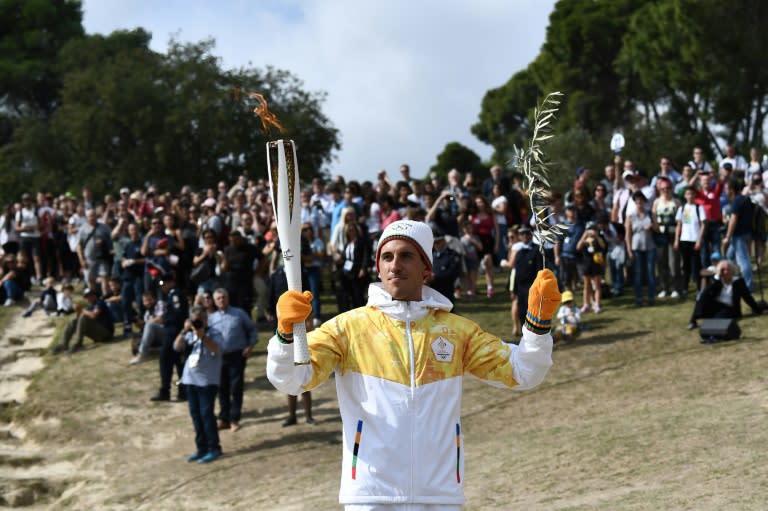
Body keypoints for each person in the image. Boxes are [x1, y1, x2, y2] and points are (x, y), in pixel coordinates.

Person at [267, 219, 558, 509]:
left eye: (407, 255)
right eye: (387, 257)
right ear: (378, 267)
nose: (395, 265)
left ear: (426, 268)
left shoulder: (456, 332)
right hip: (371, 494)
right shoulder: (347, 329)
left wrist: (537, 325)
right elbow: (292, 380)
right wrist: (285, 338)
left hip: (439, 494)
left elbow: (523, 372)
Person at [175, 305, 225, 464]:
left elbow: (216, 349)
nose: (198, 322)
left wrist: (203, 335)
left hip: (207, 382)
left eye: (201, 319)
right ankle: (201, 448)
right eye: (195, 320)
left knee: (207, 415)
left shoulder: (214, 333)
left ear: (206, 319)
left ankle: (214, 448)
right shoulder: (190, 335)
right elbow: (176, 346)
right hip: (190, 381)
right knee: (196, 416)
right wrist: (184, 330)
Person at [208, 287, 257, 432]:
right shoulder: (211, 319)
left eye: (223, 297)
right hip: (219, 357)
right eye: (218, 298)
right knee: (222, 388)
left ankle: (234, 418)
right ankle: (224, 418)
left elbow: (251, 329)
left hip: (237, 355)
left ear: (228, 298)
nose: (221, 300)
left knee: (236, 387)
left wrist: (250, 346)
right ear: (214, 301)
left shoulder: (239, 313)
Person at [687, 260, 767, 336]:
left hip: (730, 308)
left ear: (732, 271)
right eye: (723, 270)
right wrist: (718, 277)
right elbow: (708, 293)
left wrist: (758, 310)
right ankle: (693, 321)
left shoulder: (738, 282)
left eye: (727, 269)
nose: (725, 272)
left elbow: (748, 297)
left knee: (720, 317)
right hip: (717, 306)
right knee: (703, 296)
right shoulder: (717, 281)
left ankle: (711, 327)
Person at [150, 272, 188, 402]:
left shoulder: (175, 295)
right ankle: (181, 390)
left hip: (173, 332)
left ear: (171, 282)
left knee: (166, 362)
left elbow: (178, 314)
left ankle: (167, 390)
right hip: (173, 332)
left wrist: (164, 319)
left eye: (164, 283)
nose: (162, 287)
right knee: (178, 363)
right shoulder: (171, 296)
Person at [52, 287, 114, 354]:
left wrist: (82, 310)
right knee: (74, 321)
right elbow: (79, 322)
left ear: (94, 295)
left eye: (90, 295)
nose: (88, 298)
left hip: (106, 334)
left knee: (84, 317)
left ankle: (78, 344)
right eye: (86, 297)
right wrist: (78, 311)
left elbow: (93, 315)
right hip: (99, 334)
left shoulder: (100, 303)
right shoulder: (90, 306)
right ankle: (63, 344)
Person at [129, 291, 166, 365]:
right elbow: (145, 329)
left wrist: (146, 323)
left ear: (154, 299)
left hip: (166, 332)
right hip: (156, 337)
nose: (148, 302)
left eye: (149, 300)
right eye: (145, 301)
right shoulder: (147, 314)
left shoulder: (160, 304)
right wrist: (137, 322)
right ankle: (148, 351)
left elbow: (161, 319)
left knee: (149, 325)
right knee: (136, 337)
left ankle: (142, 355)